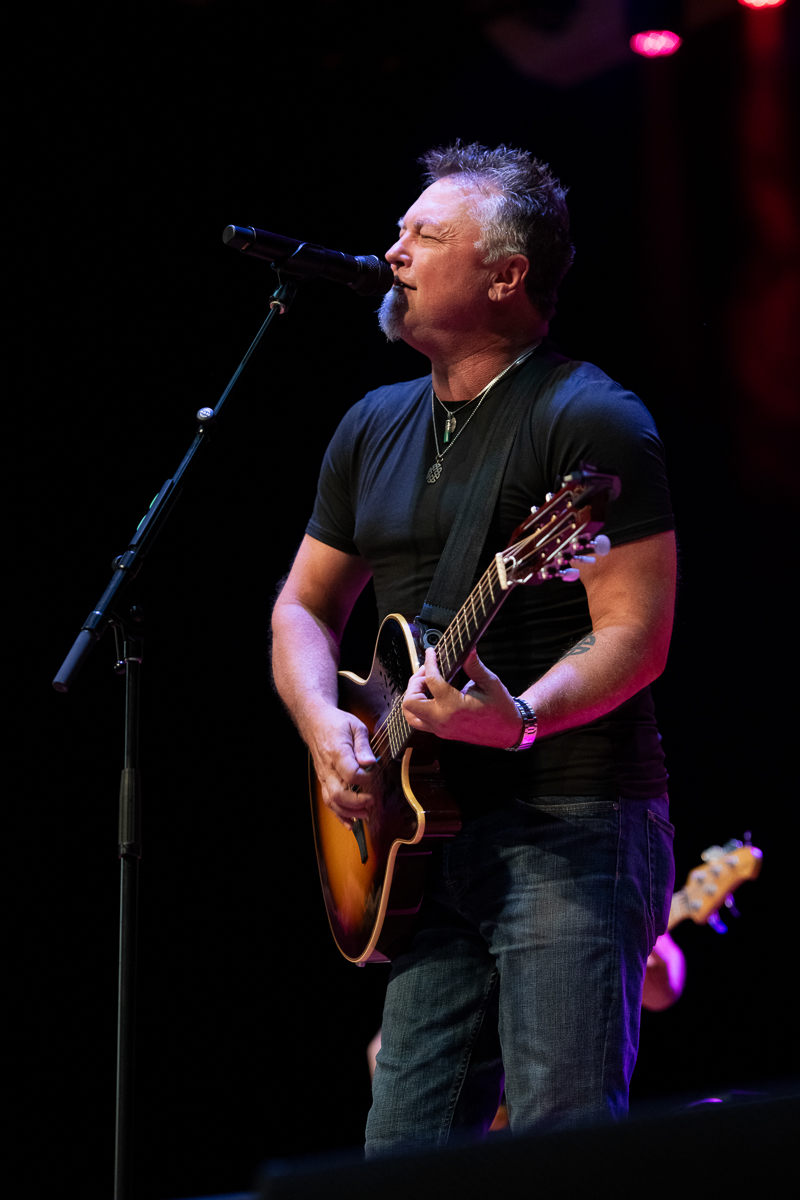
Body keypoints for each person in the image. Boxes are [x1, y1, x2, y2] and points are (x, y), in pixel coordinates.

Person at [271, 141, 677, 1153]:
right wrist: (324, 725)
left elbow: (635, 634)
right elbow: (302, 610)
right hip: (424, 840)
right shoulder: (371, 424)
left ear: (504, 275)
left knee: (556, 1150)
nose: (392, 252)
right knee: (400, 1158)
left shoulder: (589, 417)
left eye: (425, 235)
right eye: (399, 231)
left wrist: (523, 716)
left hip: (571, 822)